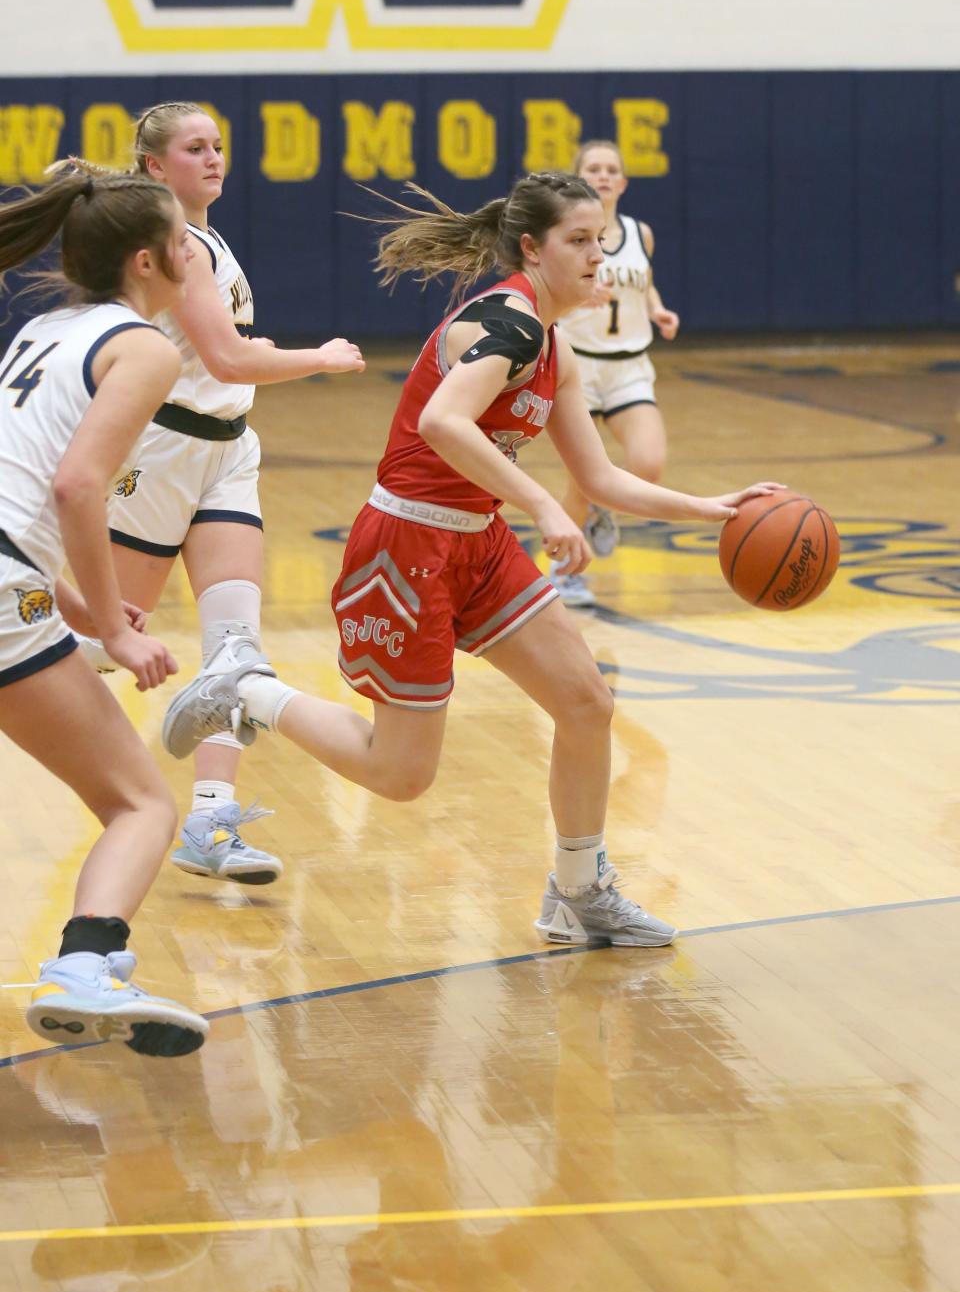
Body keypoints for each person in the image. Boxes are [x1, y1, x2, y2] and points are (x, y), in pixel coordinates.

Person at [160, 173, 782, 948]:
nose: (599, 257)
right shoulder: (510, 323)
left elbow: (599, 476)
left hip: (476, 542)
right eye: (578, 242)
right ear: (533, 248)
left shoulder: (553, 343)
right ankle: (246, 690)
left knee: (586, 703)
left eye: (600, 240)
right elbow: (443, 420)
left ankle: (578, 891)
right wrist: (544, 507)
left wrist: (713, 508)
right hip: (407, 544)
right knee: (401, 776)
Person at [90, 101, 364, 887]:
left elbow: (224, 356)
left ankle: (210, 821)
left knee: (235, 654)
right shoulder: (175, 245)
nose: (213, 158)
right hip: (166, 450)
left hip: (227, 451)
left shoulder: (206, 240)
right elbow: (227, 359)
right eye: (193, 148)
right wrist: (321, 356)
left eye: (218, 146)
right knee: (107, 645)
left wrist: (249, 354)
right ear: (153, 166)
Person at [0, 164, 209, 1054]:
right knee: (142, 806)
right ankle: (85, 967)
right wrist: (118, 631)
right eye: (182, 233)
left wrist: (84, 608)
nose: (194, 242)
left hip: (14, 577)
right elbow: (77, 485)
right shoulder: (145, 346)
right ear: (150, 260)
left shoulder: (46, 328)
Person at [553, 139, 680, 607]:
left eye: (611, 169)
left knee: (648, 464)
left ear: (622, 182)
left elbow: (642, 281)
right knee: (582, 480)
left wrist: (658, 309)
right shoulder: (563, 234)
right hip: (576, 368)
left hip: (628, 365)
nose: (604, 175)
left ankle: (604, 510)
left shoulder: (639, 233)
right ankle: (563, 573)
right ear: (578, 180)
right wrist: (578, 295)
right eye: (594, 168)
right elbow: (545, 289)